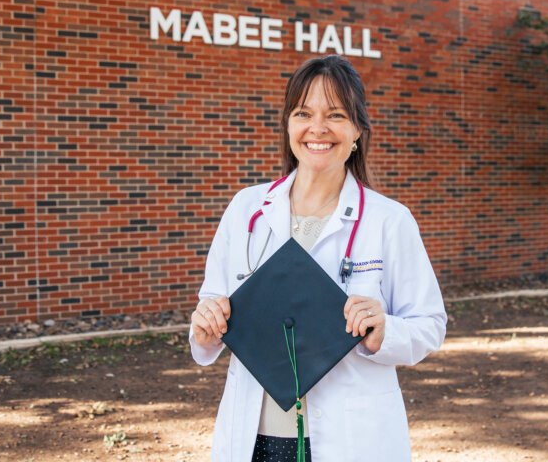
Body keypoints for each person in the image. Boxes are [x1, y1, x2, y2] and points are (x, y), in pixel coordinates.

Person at [190, 55, 447, 462]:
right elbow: (211, 306)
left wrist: (385, 332)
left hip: (351, 439)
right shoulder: (246, 210)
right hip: (255, 437)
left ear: (357, 129)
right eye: (303, 113)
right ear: (289, 126)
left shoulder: (388, 220)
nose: (318, 128)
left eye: (336, 115)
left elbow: (430, 325)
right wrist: (204, 327)